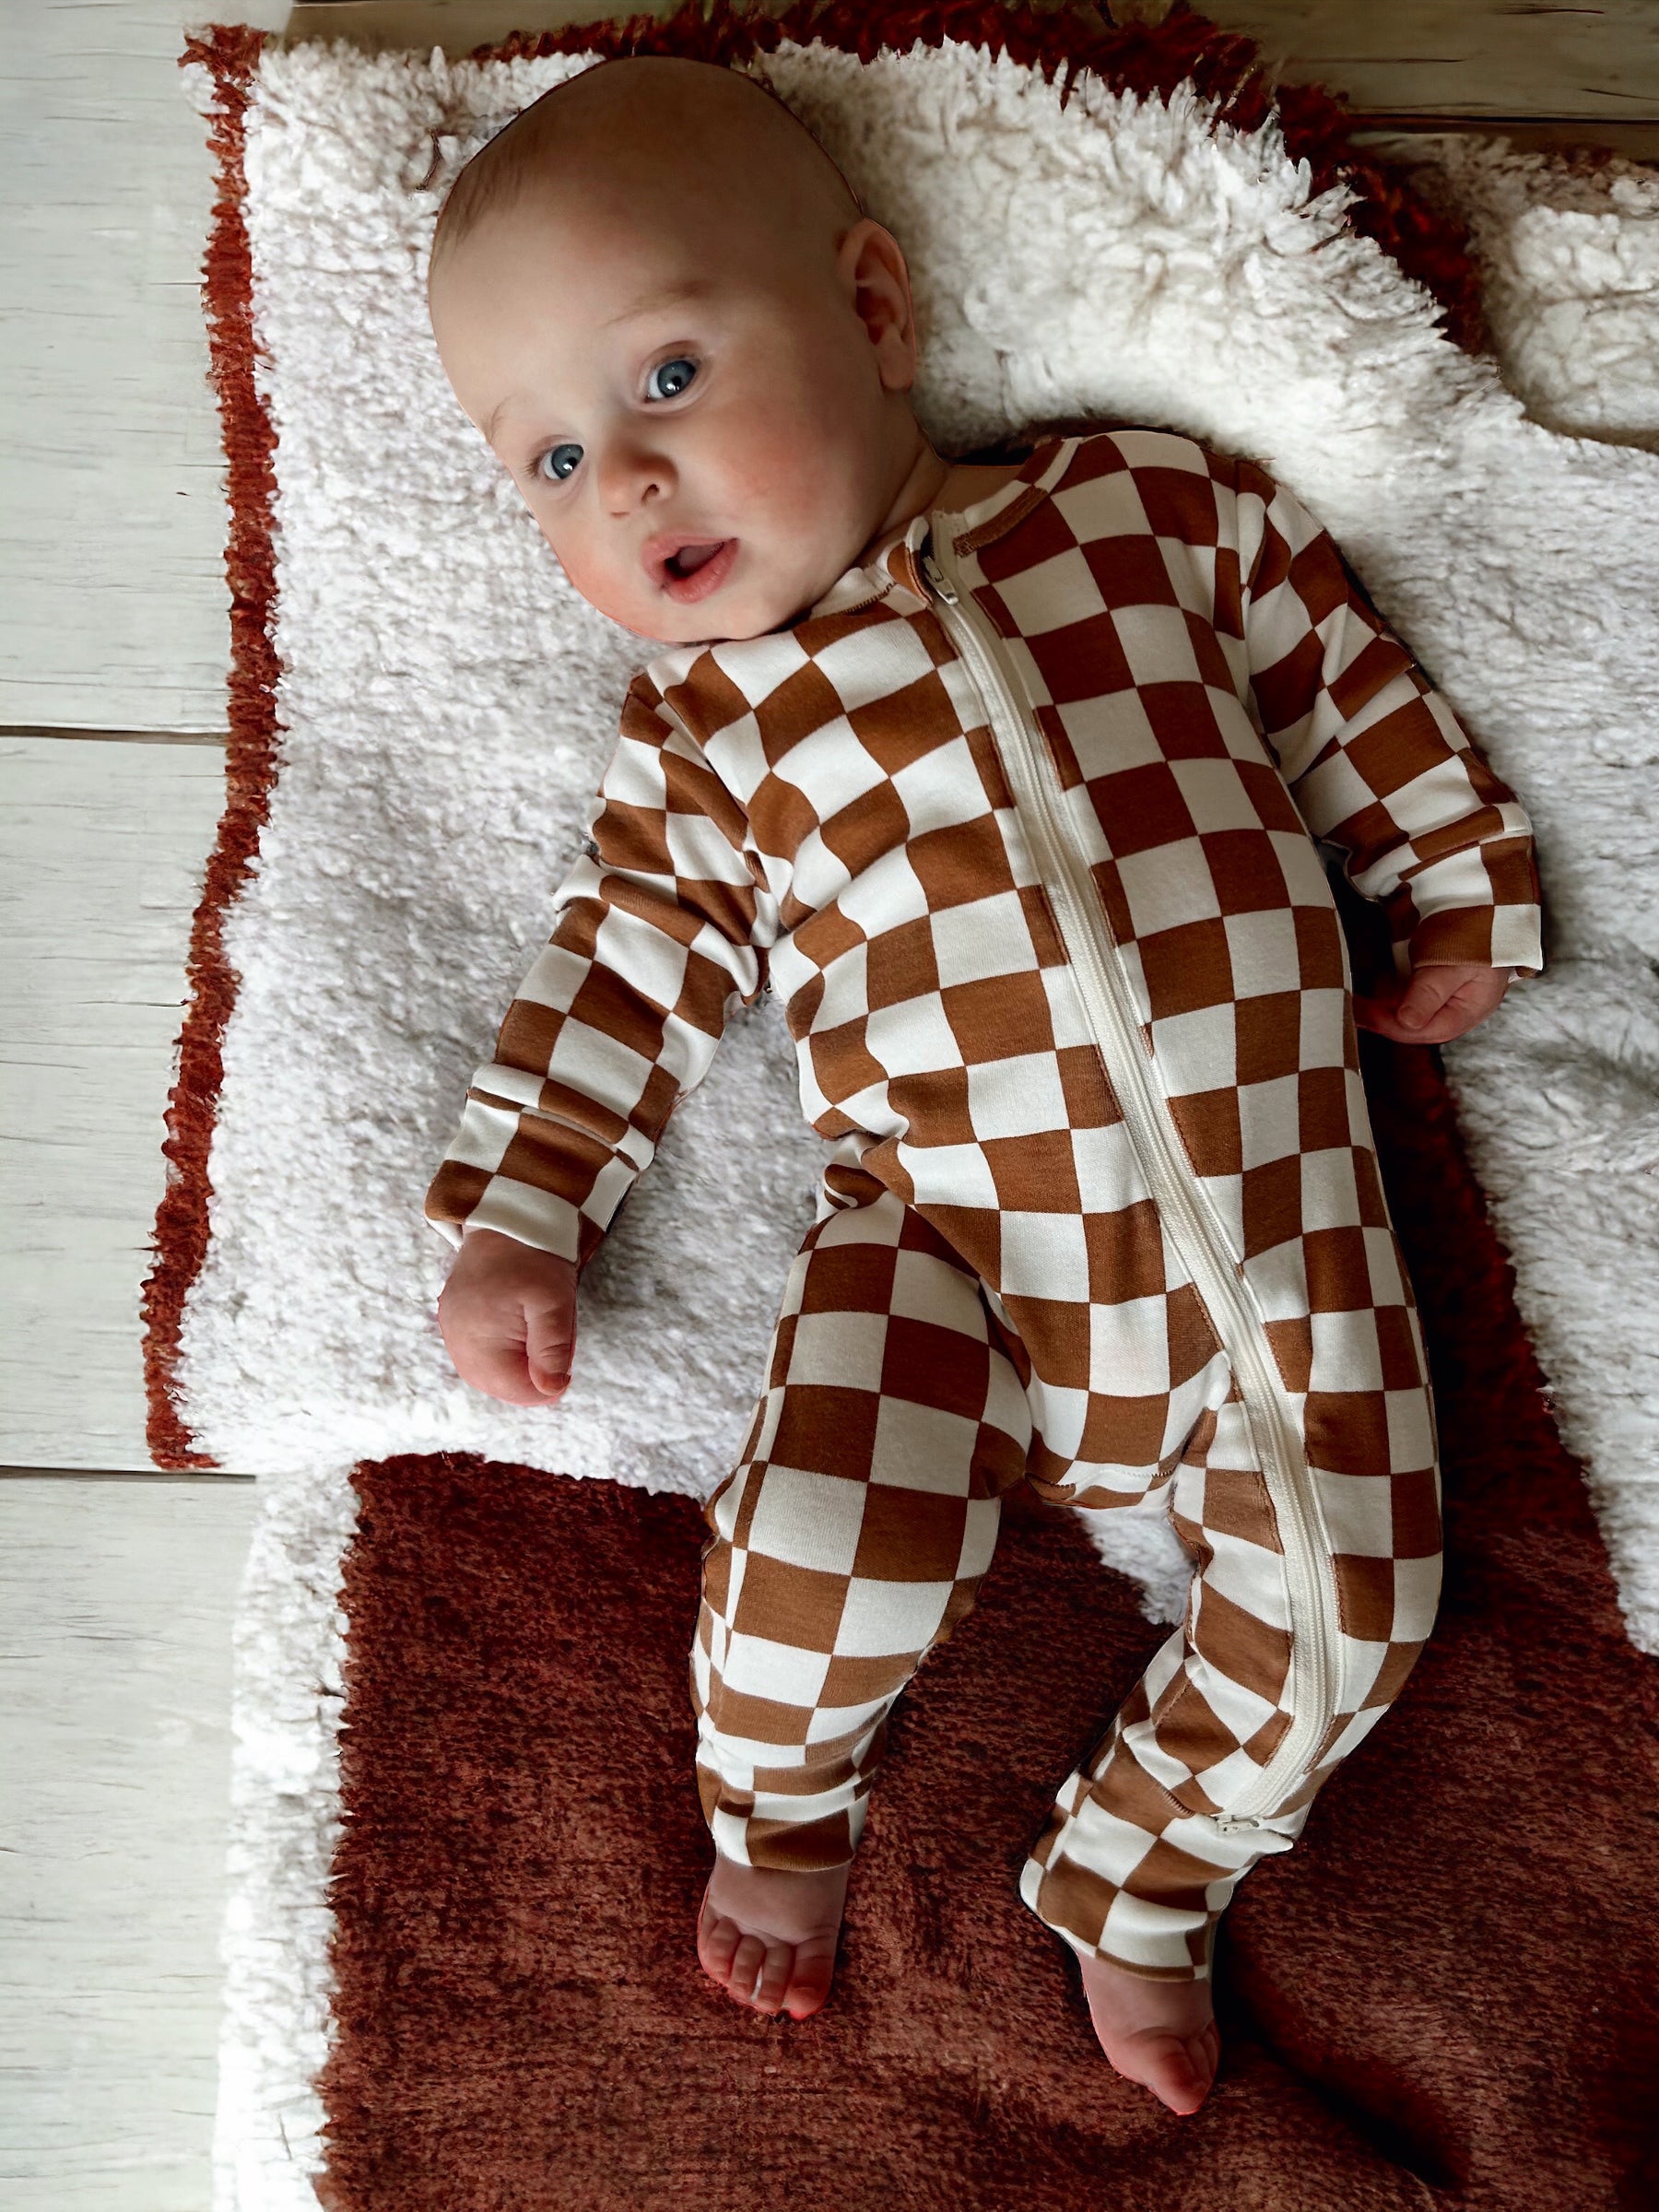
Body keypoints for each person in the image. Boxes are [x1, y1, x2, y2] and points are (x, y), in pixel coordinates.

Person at [421, 53, 1542, 2118]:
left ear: (871, 310)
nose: (629, 486)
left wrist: (1451, 877)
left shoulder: (1142, 513)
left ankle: (1140, 1866)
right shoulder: (708, 738)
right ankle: (776, 1802)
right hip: (947, 1245)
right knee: (822, 1534)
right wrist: (521, 1206)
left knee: (1359, 1605)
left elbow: (1335, 673)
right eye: (553, 458)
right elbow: (623, 963)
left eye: (667, 378)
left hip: (1285, 1215)